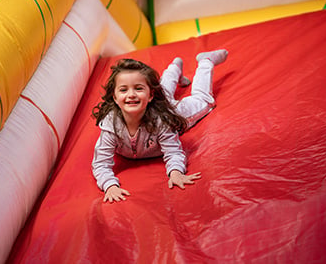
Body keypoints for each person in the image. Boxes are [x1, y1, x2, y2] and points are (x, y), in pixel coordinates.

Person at [92, 49, 228, 203]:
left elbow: (173, 151)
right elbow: (101, 163)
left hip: (168, 111)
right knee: (160, 91)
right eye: (124, 90)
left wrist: (175, 172)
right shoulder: (111, 126)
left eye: (138, 88)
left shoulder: (161, 121)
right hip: (152, 104)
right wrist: (110, 186)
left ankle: (206, 61)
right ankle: (174, 68)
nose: (131, 94)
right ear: (115, 98)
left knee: (204, 101)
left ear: (151, 96)